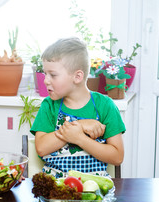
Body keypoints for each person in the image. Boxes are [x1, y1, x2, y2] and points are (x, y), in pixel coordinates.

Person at [30, 37, 126, 178]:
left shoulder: (105, 105)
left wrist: (80, 138)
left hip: (94, 190)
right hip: (55, 188)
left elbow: (117, 157)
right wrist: (80, 125)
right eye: (45, 73)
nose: (45, 80)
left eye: (53, 75)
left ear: (77, 77)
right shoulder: (49, 106)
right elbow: (42, 148)